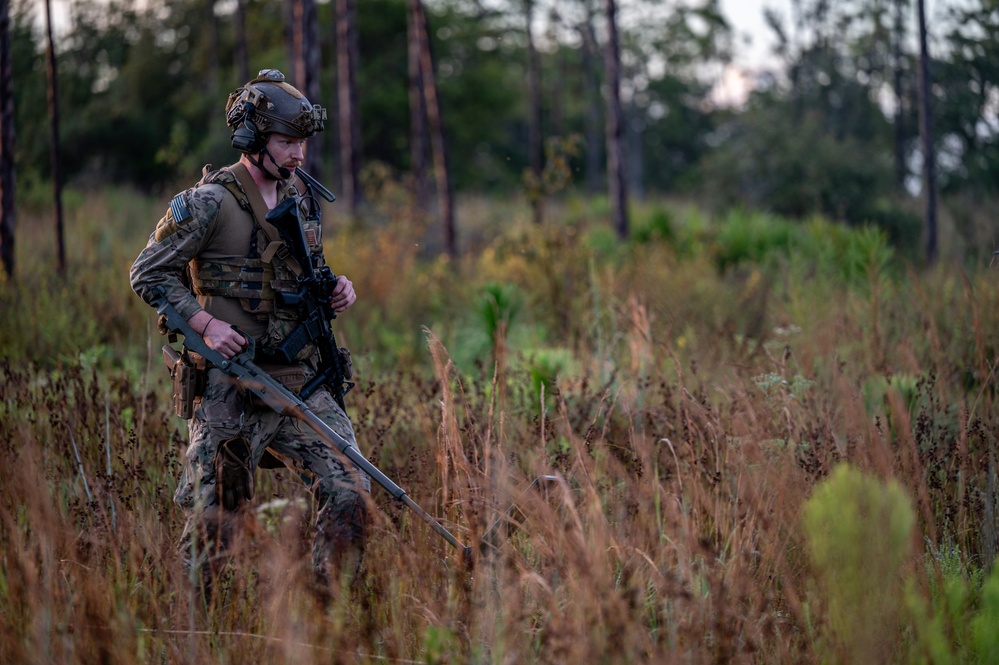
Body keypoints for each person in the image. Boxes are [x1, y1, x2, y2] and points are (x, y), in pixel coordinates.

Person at [129, 69, 369, 599]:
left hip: (297, 378)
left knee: (351, 488)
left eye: (303, 142)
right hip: (231, 382)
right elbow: (148, 273)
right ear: (253, 139)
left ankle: (325, 613)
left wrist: (336, 291)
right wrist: (207, 324)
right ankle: (193, 626)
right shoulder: (207, 203)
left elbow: (305, 274)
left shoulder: (302, 197)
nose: (299, 154)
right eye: (287, 142)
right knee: (217, 516)